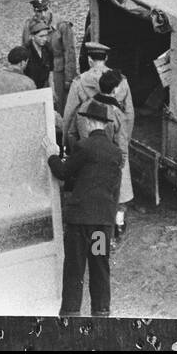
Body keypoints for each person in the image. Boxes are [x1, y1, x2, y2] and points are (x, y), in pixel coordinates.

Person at [47, 100, 123, 317]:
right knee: (99, 266)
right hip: (101, 224)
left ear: (89, 122)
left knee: (75, 268)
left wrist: (51, 154)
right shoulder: (115, 153)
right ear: (104, 124)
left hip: (80, 223)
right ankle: (101, 312)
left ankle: (70, 314)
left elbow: (62, 172)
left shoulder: (83, 147)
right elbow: (114, 189)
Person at [72, 71, 134, 241]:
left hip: (88, 161)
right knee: (118, 199)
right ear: (114, 90)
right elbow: (122, 146)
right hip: (111, 161)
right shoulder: (117, 113)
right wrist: (120, 166)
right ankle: (117, 228)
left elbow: (76, 134)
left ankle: (96, 241)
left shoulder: (85, 107)